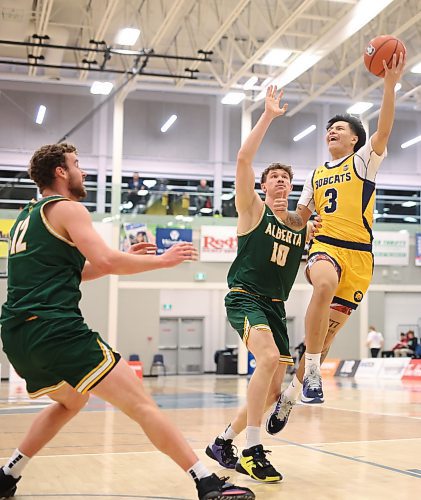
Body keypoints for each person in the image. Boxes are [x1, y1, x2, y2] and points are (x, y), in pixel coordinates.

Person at [0, 143, 254, 500]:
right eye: (76, 164)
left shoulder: (26, 217)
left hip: (16, 333)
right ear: (60, 171)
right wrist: (163, 261)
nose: (83, 171)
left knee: (72, 401)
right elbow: (105, 260)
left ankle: (8, 473)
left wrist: (117, 260)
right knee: (142, 404)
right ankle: (206, 482)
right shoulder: (68, 209)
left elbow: (72, 272)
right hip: (55, 329)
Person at [266, 52, 405, 432]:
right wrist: (289, 218)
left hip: (361, 258)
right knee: (322, 284)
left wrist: (389, 84)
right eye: (329, 129)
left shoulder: (363, 163)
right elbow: (299, 218)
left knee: (327, 338)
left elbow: (386, 128)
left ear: (356, 139)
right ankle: (312, 373)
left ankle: (290, 398)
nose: (332, 132)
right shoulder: (315, 174)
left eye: (339, 129)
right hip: (326, 247)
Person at [206, 86, 317, 483]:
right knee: (268, 360)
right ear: (264, 186)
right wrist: (268, 116)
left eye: (286, 178)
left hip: (275, 305)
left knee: (271, 392)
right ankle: (252, 450)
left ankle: (223, 441)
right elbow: (242, 158)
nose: (281, 182)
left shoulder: (301, 225)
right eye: (274, 178)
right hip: (245, 297)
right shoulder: (252, 211)